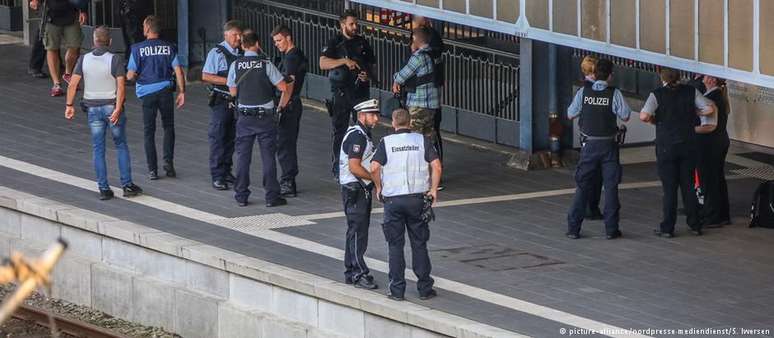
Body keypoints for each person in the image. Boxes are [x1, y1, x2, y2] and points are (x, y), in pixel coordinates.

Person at [371, 108, 442, 301]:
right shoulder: (421, 140)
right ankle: (425, 288)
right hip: (417, 200)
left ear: (393, 123)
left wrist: (379, 188)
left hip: (393, 200)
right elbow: (436, 166)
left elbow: (374, 167)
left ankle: (397, 290)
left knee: (395, 246)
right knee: (419, 244)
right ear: (410, 123)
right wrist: (433, 190)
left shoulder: (386, 142)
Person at [64, 26, 143, 200]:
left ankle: (104, 188)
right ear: (110, 41)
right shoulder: (115, 59)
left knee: (98, 148)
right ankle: (127, 185)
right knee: (121, 145)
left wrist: (69, 105)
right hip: (111, 107)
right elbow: (121, 87)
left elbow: (72, 84)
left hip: (92, 109)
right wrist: (117, 108)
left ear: (94, 41)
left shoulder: (83, 59)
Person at [640, 68, 716, 238]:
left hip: (666, 146)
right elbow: (710, 109)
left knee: (669, 189)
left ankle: (667, 228)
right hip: (688, 144)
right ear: (679, 77)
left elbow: (644, 116)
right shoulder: (691, 91)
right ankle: (695, 224)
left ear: (662, 78)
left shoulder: (657, 94)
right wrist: (695, 112)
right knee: (688, 186)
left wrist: (655, 120)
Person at [565, 59, 631, 240]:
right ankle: (611, 229)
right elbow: (625, 115)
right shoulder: (614, 93)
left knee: (583, 186)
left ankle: (573, 229)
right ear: (610, 75)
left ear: (594, 73)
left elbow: (570, 114)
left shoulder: (583, 92)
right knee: (611, 188)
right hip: (609, 145)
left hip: (589, 146)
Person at [227, 30, 290, 208]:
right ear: (257, 43)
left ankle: (241, 196)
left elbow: (233, 92)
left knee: (242, 157)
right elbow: (283, 86)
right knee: (268, 157)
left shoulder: (236, 65)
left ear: (242, 45)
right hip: (265, 117)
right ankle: (271, 196)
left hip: (244, 117)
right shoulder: (265, 64)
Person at [127, 15, 186, 181]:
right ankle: (169, 163)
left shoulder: (137, 48)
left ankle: (152, 170)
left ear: (146, 29)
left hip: (146, 94)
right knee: (168, 127)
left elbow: (130, 75)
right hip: (165, 91)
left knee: (149, 131)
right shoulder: (169, 47)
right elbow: (178, 71)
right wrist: (182, 92)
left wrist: (135, 77)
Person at [319, 9, 376, 180]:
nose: (355, 27)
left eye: (356, 24)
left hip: (360, 93)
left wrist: (367, 74)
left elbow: (371, 65)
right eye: (351, 24)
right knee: (340, 131)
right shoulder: (334, 43)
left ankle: (365, 165)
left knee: (365, 130)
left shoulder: (363, 43)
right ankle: (339, 166)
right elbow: (322, 63)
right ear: (342, 24)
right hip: (342, 93)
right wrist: (344, 61)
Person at [339, 99, 381, 290]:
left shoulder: (360, 133)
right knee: (357, 232)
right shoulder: (358, 136)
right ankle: (358, 272)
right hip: (355, 189)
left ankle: (351, 271)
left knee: (355, 231)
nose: (377, 118)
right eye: (373, 114)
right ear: (362, 115)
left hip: (356, 188)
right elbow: (354, 167)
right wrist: (374, 178)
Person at [202, 20, 243, 191]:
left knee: (231, 137)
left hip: (237, 102)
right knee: (218, 137)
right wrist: (229, 81)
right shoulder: (216, 52)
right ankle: (217, 175)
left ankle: (226, 170)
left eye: (240, 35)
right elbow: (206, 75)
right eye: (235, 35)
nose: (238, 38)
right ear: (226, 35)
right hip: (221, 100)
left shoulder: (242, 52)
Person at [271, 24, 308, 198]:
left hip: (289, 105)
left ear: (288, 38)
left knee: (285, 144)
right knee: (286, 143)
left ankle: (287, 181)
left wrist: (281, 107)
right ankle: (288, 179)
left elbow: (289, 85)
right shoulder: (293, 55)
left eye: (279, 40)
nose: (277, 44)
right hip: (292, 104)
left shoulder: (291, 58)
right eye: (275, 41)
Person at [411, 16, 445, 182]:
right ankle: (434, 175)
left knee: (418, 138)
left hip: (422, 102)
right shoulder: (434, 49)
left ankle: (422, 174)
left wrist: (396, 80)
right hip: (433, 101)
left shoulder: (422, 55)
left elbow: (404, 74)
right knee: (430, 137)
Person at [29, 0, 88, 97]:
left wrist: (83, 10)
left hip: (71, 15)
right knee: (52, 48)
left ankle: (68, 74)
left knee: (75, 46)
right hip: (51, 16)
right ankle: (56, 84)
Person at [392, 28, 440, 145]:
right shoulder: (434, 54)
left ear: (415, 39)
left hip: (418, 105)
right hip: (433, 104)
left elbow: (401, 76)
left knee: (414, 141)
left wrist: (395, 79)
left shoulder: (418, 57)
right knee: (428, 141)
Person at [697, 75, 731, 227]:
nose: (701, 78)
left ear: (711, 80)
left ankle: (712, 216)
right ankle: (723, 214)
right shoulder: (719, 96)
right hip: (721, 141)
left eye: (703, 76)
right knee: (717, 178)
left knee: (709, 180)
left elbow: (708, 125)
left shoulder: (711, 98)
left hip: (710, 144)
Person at [579, 55, 604, 220]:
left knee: (588, 172)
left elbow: (571, 112)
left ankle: (587, 206)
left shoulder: (583, 90)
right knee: (598, 175)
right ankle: (592, 206)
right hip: (602, 137)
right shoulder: (604, 90)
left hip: (586, 136)